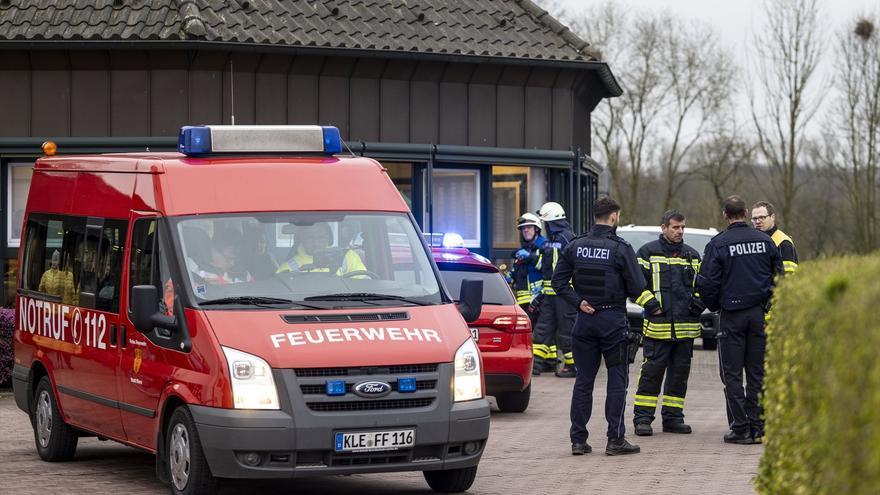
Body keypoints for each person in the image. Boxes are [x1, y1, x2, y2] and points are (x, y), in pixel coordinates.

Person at [553, 196, 646, 456]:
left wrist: (578, 302)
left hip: (584, 321)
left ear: (595, 216)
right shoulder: (620, 248)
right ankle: (615, 440)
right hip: (612, 321)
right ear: (614, 216)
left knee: (583, 380)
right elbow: (638, 288)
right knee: (617, 380)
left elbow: (558, 282)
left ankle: (578, 441)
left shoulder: (575, 245)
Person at [697, 195, 783, 445]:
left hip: (731, 316)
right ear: (745, 213)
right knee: (756, 373)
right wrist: (766, 302)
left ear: (725, 215)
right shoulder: (765, 241)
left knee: (732, 374)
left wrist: (715, 306)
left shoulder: (719, 244)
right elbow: (778, 277)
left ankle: (741, 427)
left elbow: (707, 282)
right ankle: (759, 427)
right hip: (757, 315)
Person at [631, 210, 704, 436]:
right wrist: (650, 304)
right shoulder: (647, 253)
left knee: (679, 376)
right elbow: (634, 285)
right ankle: (643, 419)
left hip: (686, 330)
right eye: (675, 227)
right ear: (664, 228)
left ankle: (673, 418)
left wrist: (698, 304)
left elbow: (703, 286)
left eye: (682, 227)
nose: (679, 231)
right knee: (651, 374)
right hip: (657, 329)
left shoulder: (692, 256)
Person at [532, 202, 578, 377]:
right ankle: (536, 364)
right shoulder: (551, 241)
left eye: (545, 222)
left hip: (564, 296)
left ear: (551, 221)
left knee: (567, 331)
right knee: (543, 329)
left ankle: (573, 367)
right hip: (550, 295)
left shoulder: (568, 238)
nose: (544, 226)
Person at [276, 223, 367, 276]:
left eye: (320, 237)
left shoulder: (348, 257)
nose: (316, 242)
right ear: (302, 239)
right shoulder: (286, 268)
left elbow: (363, 284)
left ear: (328, 238)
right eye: (310, 237)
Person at [510, 213, 545, 325]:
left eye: (529, 227)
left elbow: (548, 267)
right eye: (523, 228)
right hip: (524, 303)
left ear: (537, 229)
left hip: (540, 301)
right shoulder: (524, 249)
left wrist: (530, 257)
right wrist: (510, 276)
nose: (525, 230)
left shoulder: (545, 246)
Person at [751, 201, 798, 275]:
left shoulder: (783, 243)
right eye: (754, 218)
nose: (757, 221)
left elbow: (788, 276)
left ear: (772, 217)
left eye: (762, 217)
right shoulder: (752, 241)